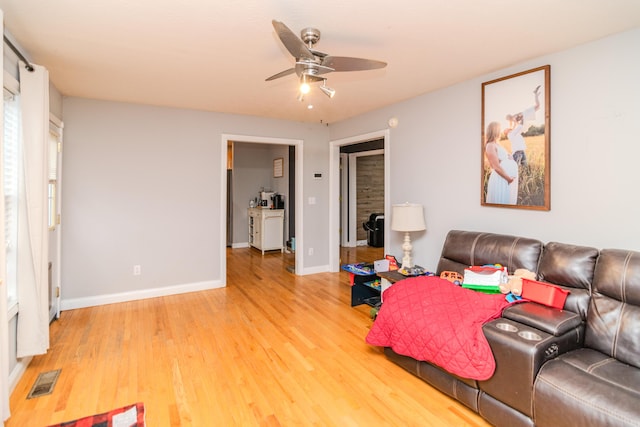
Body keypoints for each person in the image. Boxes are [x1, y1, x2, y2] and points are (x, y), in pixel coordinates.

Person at [504, 85, 542, 166]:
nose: (508, 128)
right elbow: (516, 126)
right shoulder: (511, 134)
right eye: (507, 129)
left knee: (538, 106)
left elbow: (514, 126)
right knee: (537, 106)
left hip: (524, 115)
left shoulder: (513, 128)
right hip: (524, 117)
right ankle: (535, 94)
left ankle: (535, 94)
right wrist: (521, 119)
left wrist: (518, 119)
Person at [485, 121, 518, 204]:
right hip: (502, 179)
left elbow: (501, 159)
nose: (501, 132)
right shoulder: (490, 145)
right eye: (499, 130)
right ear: (495, 131)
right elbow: (495, 166)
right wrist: (508, 179)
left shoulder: (497, 144)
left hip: (505, 179)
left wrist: (509, 157)